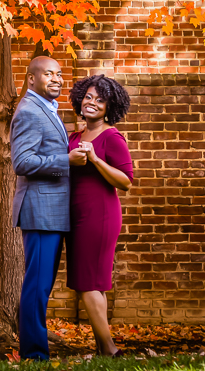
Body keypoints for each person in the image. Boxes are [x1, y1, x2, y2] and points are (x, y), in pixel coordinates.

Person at [10, 56, 89, 361]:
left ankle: (34, 349)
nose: (56, 79)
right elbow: (22, 162)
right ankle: (33, 354)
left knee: (40, 285)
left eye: (59, 74)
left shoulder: (48, 109)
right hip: (40, 211)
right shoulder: (30, 110)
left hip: (52, 211)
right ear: (31, 79)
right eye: (48, 74)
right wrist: (65, 161)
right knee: (37, 286)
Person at [66, 74, 134, 357]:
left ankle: (109, 349)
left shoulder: (111, 137)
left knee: (88, 282)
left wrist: (95, 160)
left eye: (100, 100)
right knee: (91, 282)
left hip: (100, 215)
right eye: (89, 97)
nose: (92, 103)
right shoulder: (74, 136)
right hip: (75, 215)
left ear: (110, 107)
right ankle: (102, 346)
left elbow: (126, 181)